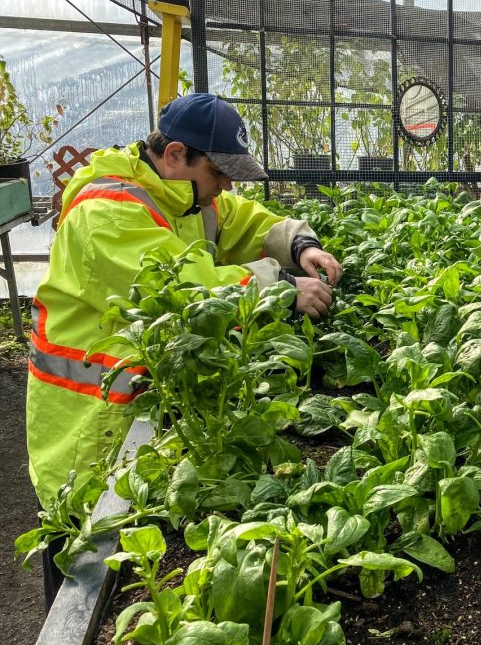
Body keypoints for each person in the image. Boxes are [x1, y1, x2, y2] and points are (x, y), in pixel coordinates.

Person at [26, 93, 343, 513]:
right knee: (83, 544)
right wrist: (282, 286)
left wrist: (300, 245)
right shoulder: (105, 212)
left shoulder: (187, 194)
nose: (226, 185)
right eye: (218, 172)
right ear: (175, 154)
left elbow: (244, 219)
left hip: (149, 409)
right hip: (88, 429)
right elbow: (183, 288)